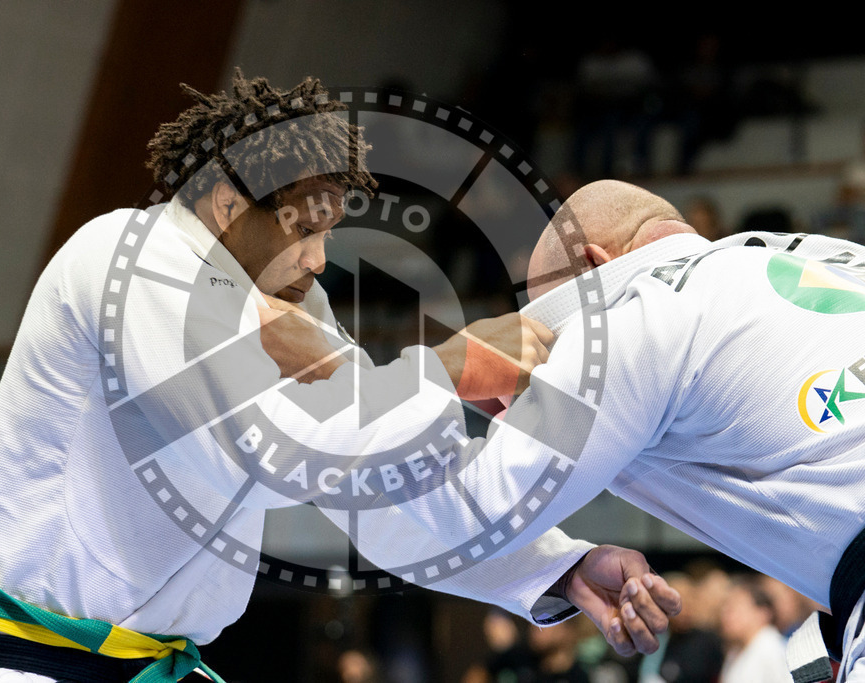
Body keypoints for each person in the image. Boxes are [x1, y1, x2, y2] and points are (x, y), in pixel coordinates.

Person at [0, 75, 679, 682]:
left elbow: (385, 485)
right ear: (226, 202)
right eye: (303, 229)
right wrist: (443, 369)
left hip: (138, 664)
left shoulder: (288, 297)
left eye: (329, 233)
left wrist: (560, 563)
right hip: (6, 665)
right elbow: (282, 453)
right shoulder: (130, 260)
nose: (317, 259)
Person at [272, 176, 865, 682]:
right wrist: (564, 567)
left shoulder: (638, 312)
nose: (545, 370)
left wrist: (441, 372)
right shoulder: (813, 256)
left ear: (597, 268)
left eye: (554, 337)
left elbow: (468, 510)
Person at [719, 576, 792, 683]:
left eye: (734, 608)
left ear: (762, 613)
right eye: (726, 608)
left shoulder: (773, 650)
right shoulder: (734, 651)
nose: (726, 615)